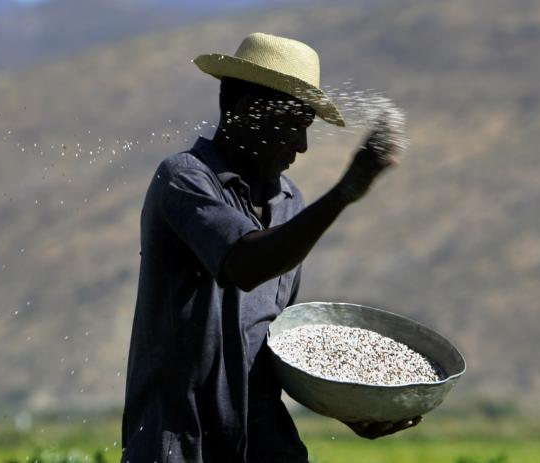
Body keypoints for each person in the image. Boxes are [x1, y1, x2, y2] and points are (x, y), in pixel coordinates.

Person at [121, 32, 419, 463]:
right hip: (182, 446)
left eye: (307, 130)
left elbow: (271, 342)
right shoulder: (184, 180)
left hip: (264, 446)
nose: (301, 147)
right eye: (293, 128)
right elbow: (244, 263)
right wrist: (343, 193)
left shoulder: (288, 204)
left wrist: (351, 404)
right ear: (243, 113)